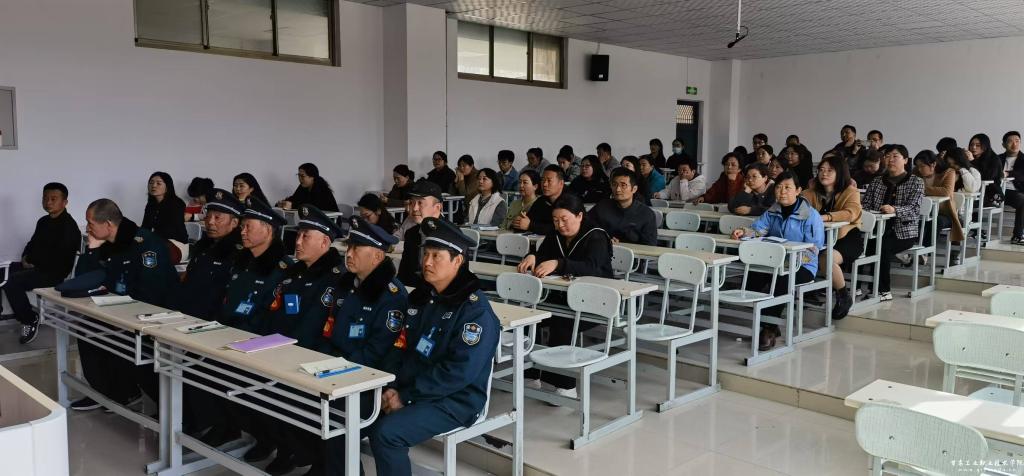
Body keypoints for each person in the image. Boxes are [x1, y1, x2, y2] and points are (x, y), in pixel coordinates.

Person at [368, 218, 498, 476]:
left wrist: (406, 396)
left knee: (386, 434)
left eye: (436, 256)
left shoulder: (475, 312)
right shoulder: (423, 298)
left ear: (457, 261)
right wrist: (392, 386)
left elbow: (458, 373)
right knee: (354, 410)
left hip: (455, 400)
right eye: (425, 254)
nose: (426, 262)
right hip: (412, 388)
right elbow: (400, 346)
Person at [313, 216, 408, 475]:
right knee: (298, 405)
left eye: (357, 248)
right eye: (349, 247)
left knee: (335, 423)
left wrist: (336, 371)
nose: (348, 254)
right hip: (336, 373)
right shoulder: (348, 286)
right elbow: (329, 334)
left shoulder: (391, 296)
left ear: (377, 256)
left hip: (368, 384)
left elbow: (377, 353)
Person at [70, 198, 178, 411]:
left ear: (108, 224)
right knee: (87, 327)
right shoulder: (110, 243)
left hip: (154, 315)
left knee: (116, 336)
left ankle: (127, 393)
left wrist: (122, 315)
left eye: (91, 223)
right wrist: (92, 249)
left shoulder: (146, 244)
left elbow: (152, 294)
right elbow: (82, 278)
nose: (88, 228)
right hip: (122, 310)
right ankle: (106, 392)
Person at [259, 204, 344, 474]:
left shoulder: (336, 278)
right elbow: (277, 314)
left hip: (314, 359)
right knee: (258, 390)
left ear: (325, 242)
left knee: (288, 397)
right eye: (297, 235)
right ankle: (289, 450)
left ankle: (314, 457)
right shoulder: (294, 272)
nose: (297, 241)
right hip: (284, 352)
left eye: (305, 236)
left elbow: (317, 329)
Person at [208, 198, 293, 463]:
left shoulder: (281, 269)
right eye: (242, 226)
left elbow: (270, 318)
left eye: (248, 226)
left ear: (268, 230)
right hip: (230, 338)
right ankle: (234, 427)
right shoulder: (242, 261)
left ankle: (273, 441)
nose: (242, 231)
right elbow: (228, 303)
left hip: (259, 345)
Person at [517, 194, 613, 394]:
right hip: (563, 298)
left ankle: (563, 384)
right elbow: (543, 254)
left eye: (564, 219)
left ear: (579, 216)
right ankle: (531, 374)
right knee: (527, 317)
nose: (559, 225)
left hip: (594, 302)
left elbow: (592, 268)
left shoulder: (596, 236)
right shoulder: (556, 234)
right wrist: (533, 256)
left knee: (561, 322)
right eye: (555, 220)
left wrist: (559, 263)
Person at [730, 172, 824, 351]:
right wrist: (744, 232)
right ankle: (764, 319)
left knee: (782, 279)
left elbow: (814, 249)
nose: (782, 192)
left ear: (798, 191)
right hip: (774, 262)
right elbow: (758, 230)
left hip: (803, 265)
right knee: (754, 275)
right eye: (779, 187)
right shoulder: (772, 211)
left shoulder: (811, 216)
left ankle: (768, 327)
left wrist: (787, 263)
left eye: (787, 188)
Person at [1, 183, 79, 344]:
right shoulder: (43, 221)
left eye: (53, 199)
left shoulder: (69, 227)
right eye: (45, 198)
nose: (48, 202)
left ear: (65, 202)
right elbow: (31, 244)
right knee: (1, 272)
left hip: (52, 273)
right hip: (34, 266)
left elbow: (58, 259)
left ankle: (29, 319)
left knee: (12, 282)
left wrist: (32, 262)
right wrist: (25, 258)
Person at [801, 155, 861, 320]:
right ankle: (802, 292)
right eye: (821, 170)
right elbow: (798, 211)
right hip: (818, 239)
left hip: (846, 238)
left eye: (829, 170)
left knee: (826, 258)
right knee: (801, 254)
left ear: (840, 172)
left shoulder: (851, 192)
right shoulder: (809, 193)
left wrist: (826, 217)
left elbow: (852, 213)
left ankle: (843, 296)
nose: (824, 173)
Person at [861, 145, 924, 301]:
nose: (890, 160)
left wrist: (894, 210)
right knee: (859, 243)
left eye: (895, 156)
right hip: (876, 229)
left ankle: (883, 290)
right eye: (887, 156)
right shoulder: (877, 181)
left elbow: (914, 208)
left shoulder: (916, 181)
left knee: (881, 247)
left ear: (905, 160)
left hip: (903, 232)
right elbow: (866, 204)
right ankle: (858, 286)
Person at [173, 189, 243, 320]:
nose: (210, 222)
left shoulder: (239, 253)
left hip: (213, 319)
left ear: (234, 223)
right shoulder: (203, 247)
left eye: (217, 218)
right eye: (208, 216)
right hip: (186, 313)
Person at [587, 168, 658, 245]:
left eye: (623, 185)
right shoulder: (602, 207)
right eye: (614, 184)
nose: (618, 189)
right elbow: (587, 228)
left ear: (634, 189)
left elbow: (649, 246)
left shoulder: (647, 214)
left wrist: (622, 246)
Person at [397, 180, 445, 288]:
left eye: (420, 203)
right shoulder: (411, 233)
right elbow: (403, 274)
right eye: (412, 203)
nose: (414, 208)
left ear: (437, 208)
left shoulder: (450, 236)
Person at [512, 165, 565, 235]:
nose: (544, 184)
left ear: (561, 183)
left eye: (549, 181)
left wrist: (530, 225)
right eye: (543, 180)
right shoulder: (541, 201)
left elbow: (561, 227)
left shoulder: (569, 201)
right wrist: (519, 222)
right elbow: (528, 220)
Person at [142, 171, 188, 243]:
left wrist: (150, 238)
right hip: (158, 240)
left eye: (158, 183)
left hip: (176, 242)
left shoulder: (177, 204)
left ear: (167, 187)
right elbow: (145, 226)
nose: (153, 185)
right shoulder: (151, 204)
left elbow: (170, 230)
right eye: (151, 183)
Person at [1000, 131, 1024, 244]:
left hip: (1015, 191)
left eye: (1017, 141)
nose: (1014, 144)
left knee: (1023, 200)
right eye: (1010, 141)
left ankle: (1018, 235)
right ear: (1004, 144)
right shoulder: (997, 158)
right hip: (998, 191)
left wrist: (1008, 174)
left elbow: (1022, 175)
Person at [969, 133, 1005, 208]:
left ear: (985, 146)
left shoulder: (994, 159)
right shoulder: (969, 158)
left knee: (965, 203)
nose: (974, 147)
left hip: (991, 194)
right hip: (973, 192)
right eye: (971, 145)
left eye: (978, 145)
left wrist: (973, 161)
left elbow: (986, 177)